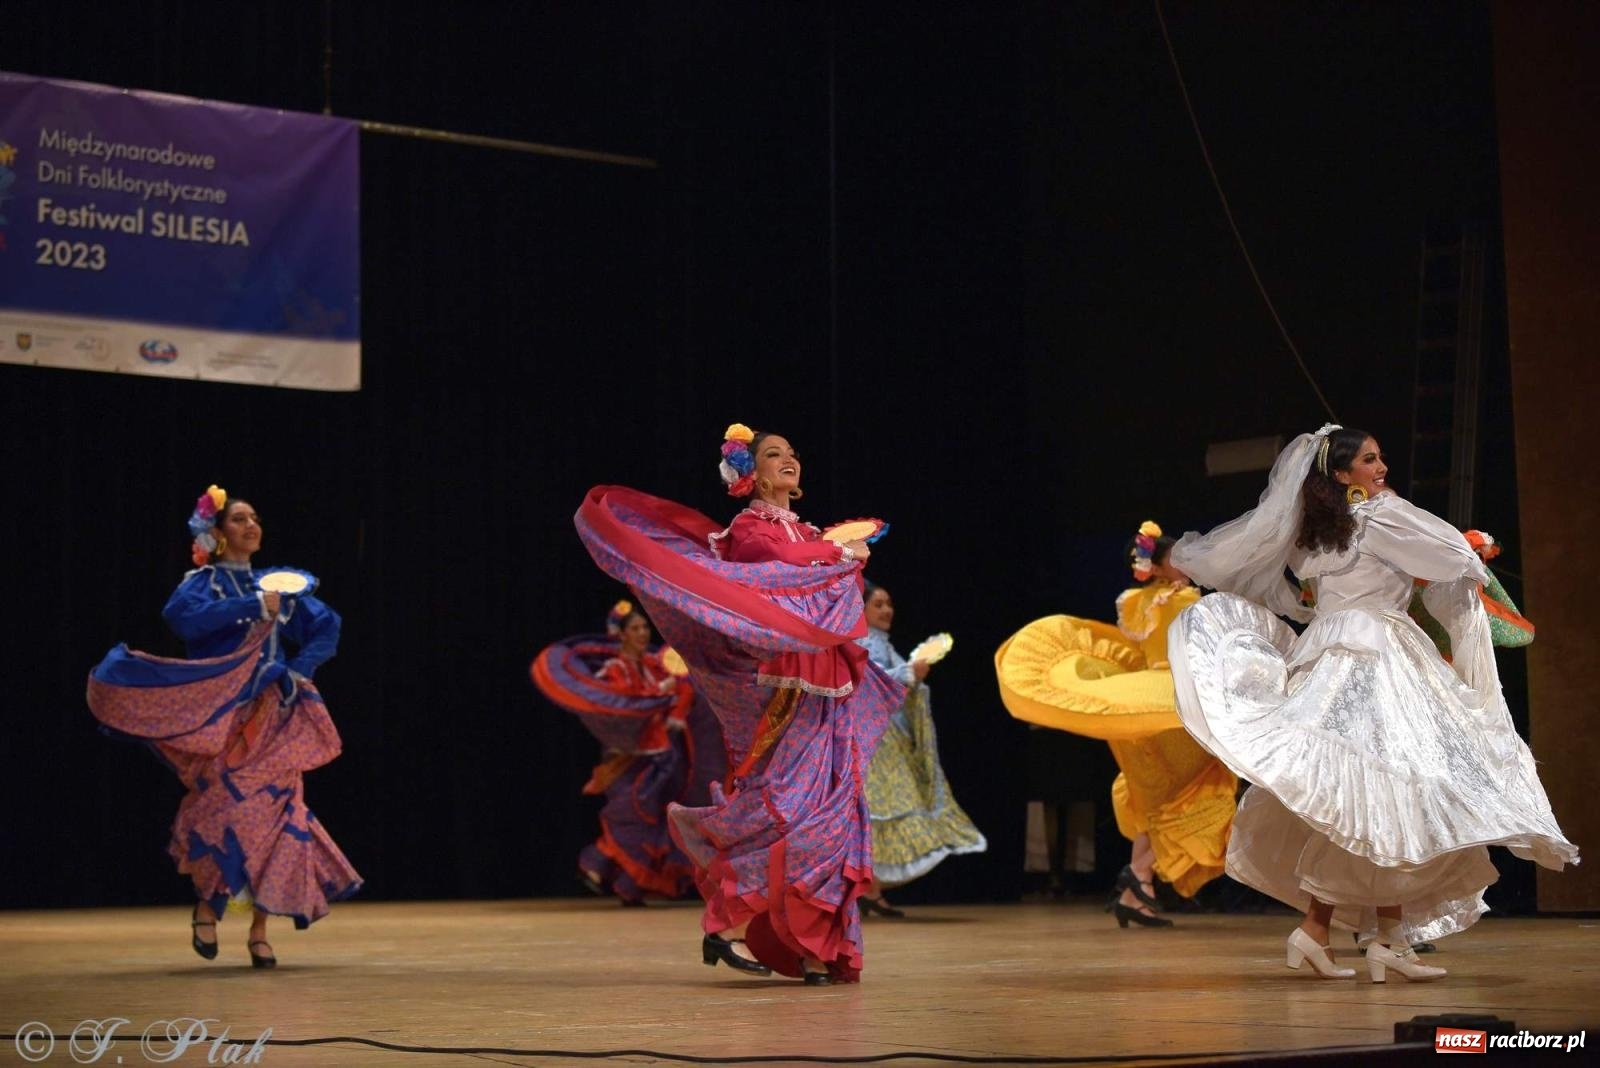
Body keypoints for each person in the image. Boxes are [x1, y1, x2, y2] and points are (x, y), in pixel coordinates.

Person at [1165, 425, 1576, 982]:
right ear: (1341, 474)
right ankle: (1336, 932)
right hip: (1377, 656)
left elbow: (1312, 589)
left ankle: (1383, 935)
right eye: (1369, 459)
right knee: (1384, 786)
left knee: (1380, 788)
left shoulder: (1315, 534)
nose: (1381, 468)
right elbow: (1449, 551)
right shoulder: (1378, 516)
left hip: (1333, 655)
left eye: (1380, 458)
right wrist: (1473, 550)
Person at [574, 424, 902, 984]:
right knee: (791, 809)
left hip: (828, 690)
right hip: (785, 689)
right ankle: (728, 921)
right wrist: (837, 556)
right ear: (751, 472)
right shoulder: (749, 530)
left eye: (793, 453)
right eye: (775, 454)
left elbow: (821, 580)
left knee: (835, 808)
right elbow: (770, 580)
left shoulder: (808, 531)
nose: (789, 460)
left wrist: (836, 556)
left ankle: (812, 947)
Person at [87, 486, 362, 968]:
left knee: (281, 817)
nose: (251, 526)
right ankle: (207, 906)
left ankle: (259, 931)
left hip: (273, 718)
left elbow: (327, 626)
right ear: (216, 533)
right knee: (222, 812)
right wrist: (253, 608)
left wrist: (300, 670)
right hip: (222, 718)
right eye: (238, 520)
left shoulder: (277, 586)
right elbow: (182, 620)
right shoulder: (205, 584)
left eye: (255, 518)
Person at [995, 522, 1237, 928]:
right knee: (1206, 794)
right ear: (1158, 568)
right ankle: (1140, 873)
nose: (1187, 564)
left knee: (1157, 801)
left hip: (1143, 700)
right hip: (1175, 702)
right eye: (1178, 558)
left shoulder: (1136, 603)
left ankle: (1133, 895)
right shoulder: (1187, 600)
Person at [530, 600, 726, 905]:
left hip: (663, 756)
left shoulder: (655, 665)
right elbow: (618, 706)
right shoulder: (614, 669)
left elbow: (684, 687)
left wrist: (676, 703)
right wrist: (658, 696)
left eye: (645, 626)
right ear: (620, 635)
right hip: (629, 757)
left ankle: (630, 886)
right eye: (635, 628)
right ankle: (597, 862)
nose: (643, 632)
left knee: (657, 819)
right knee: (631, 815)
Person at [855, 582, 986, 916]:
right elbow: (870, 681)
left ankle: (871, 889)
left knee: (881, 809)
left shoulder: (879, 642)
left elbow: (896, 682)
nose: (887, 610)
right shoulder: (862, 643)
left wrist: (913, 676)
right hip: (876, 743)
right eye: (879, 604)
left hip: (886, 741)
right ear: (861, 609)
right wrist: (907, 673)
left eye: (889, 603)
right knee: (880, 809)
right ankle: (865, 889)